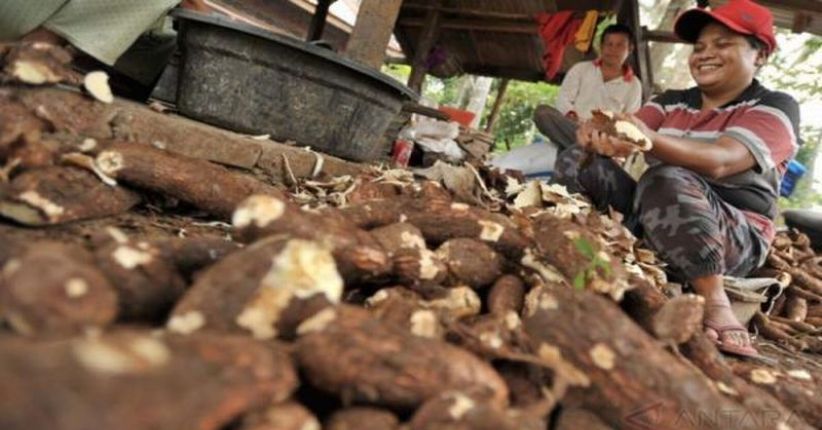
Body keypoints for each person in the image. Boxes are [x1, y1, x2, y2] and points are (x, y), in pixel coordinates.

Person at [553, 0, 800, 357]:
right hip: (658, 217)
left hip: (732, 235)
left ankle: (714, 300)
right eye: (699, 47)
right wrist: (602, 135)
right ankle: (583, 251)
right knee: (578, 160)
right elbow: (629, 129)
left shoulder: (774, 106)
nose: (705, 54)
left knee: (665, 177)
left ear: (760, 55)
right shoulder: (671, 102)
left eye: (722, 44)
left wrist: (649, 139)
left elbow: (721, 161)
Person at [533, 23, 643, 150]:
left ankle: (584, 149)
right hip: (573, 127)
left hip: (604, 139)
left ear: (630, 49)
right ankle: (586, 150)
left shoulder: (634, 85)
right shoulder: (581, 69)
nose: (613, 49)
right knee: (542, 113)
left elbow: (630, 122)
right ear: (601, 46)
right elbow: (563, 99)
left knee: (611, 141)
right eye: (609, 44)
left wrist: (603, 131)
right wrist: (575, 120)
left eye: (619, 45)